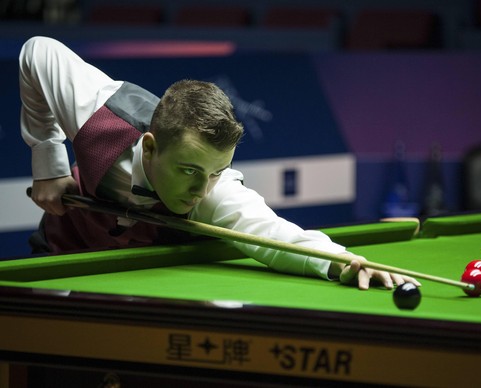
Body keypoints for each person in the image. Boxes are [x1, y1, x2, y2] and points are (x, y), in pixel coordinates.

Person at [20, 36, 419, 290]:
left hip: (157, 282)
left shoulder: (216, 194)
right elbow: (38, 50)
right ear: (150, 147)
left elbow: (275, 234)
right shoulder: (100, 111)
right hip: (62, 246)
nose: (201, 189)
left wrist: (343, 263)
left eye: (214, 173)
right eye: (190, 171)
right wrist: (49, 165)